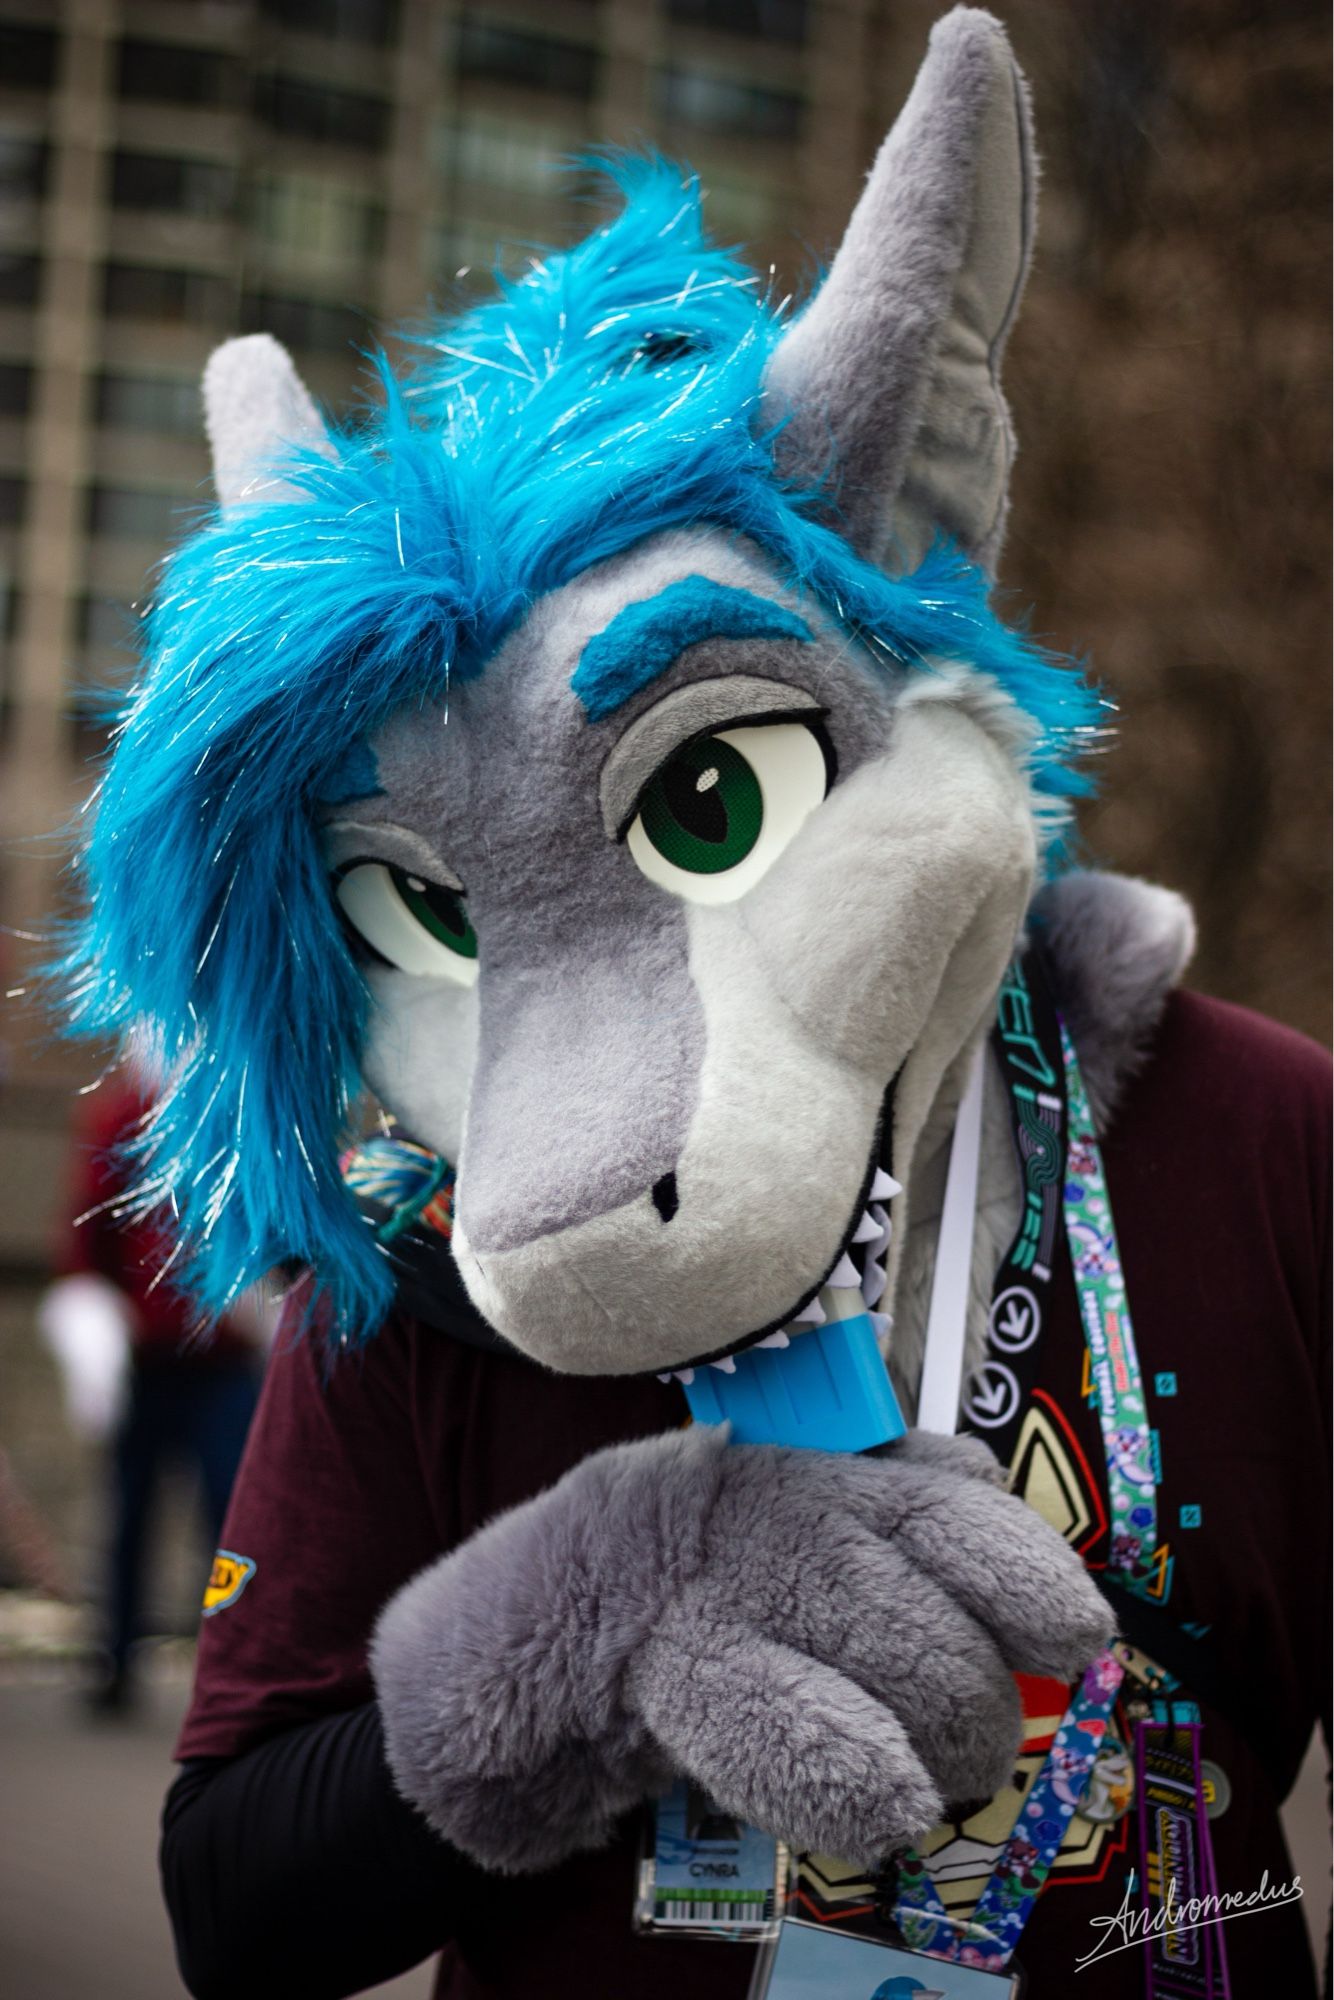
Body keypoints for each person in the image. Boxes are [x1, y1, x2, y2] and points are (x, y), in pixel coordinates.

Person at [50, 10, 1326, 1997]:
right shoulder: (418, 1253)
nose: (573, 1140)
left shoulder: (1263, 1146)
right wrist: (582, 1628)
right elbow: (238, 1898)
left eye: (711, 794)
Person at [41, 1077, 264, 1711]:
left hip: (224, 1360)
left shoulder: (240, 1116)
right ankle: (114, 1661)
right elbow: (88, 1241)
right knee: (131, 1514)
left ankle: (240, 1667)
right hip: (147, 1360)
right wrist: (94, 1340)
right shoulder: (120, 1118)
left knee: (237, 1520)